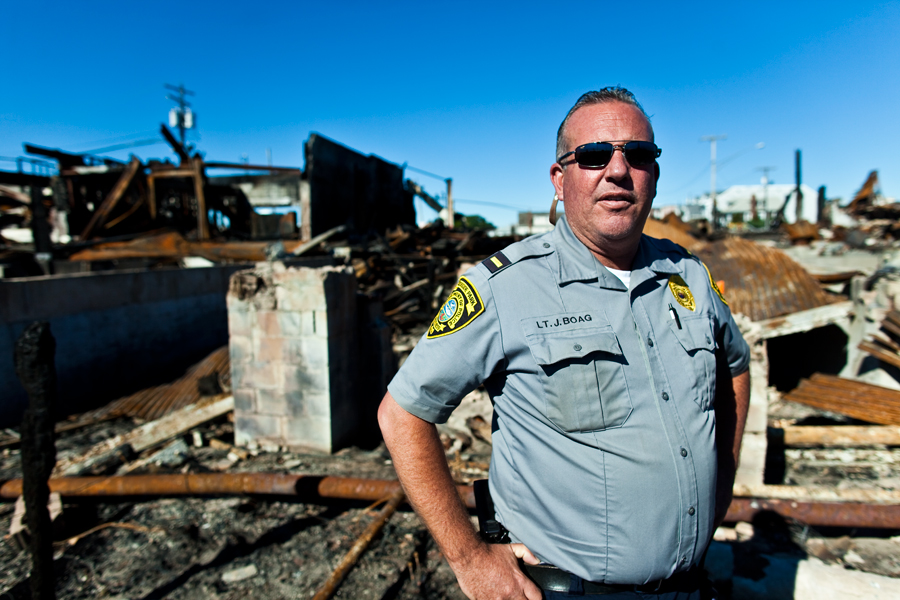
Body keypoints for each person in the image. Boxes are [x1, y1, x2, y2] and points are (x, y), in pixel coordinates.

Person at [378, 87, 751, 600]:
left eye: (638, 155)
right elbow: (402, 414)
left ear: (655, 175)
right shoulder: (503, 287)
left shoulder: (688, 275)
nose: (618, 171)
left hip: (690, 586)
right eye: (595, 155)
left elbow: (735, 365)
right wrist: (469, 559)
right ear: (559, 178)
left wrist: (721, 481)